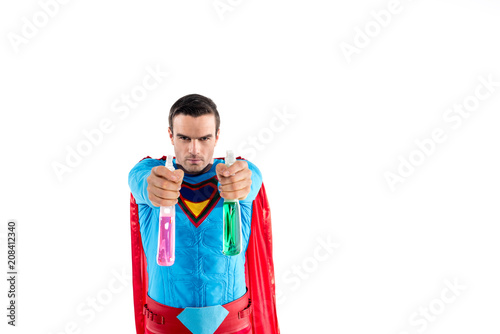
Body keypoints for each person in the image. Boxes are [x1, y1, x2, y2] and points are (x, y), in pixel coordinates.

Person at [128, 94, 280, 334]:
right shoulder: (151, 173)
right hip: (165, 326)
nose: (194, 149)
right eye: (184, 138)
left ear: (217, 136)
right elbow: (140, 180)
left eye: (204, 138)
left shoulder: (238, 173)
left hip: (233, 325)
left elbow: (250, 179)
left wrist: (244, 180)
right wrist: (152, 185)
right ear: (170, 135)